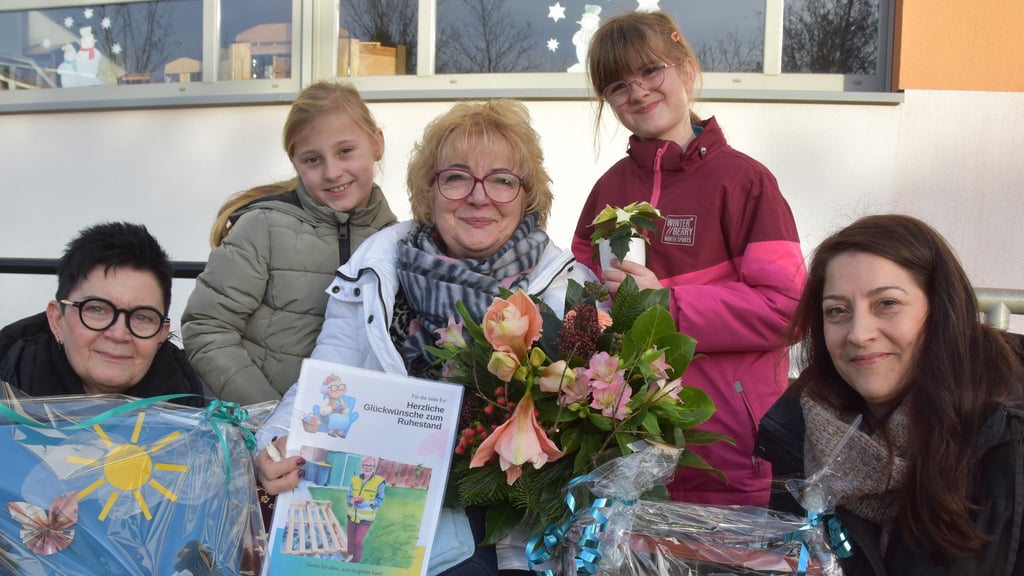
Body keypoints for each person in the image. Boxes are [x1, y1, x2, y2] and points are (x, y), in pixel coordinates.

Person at [255, 99, 598, 576]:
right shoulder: (378, 271)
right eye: (456, 177)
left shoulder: (568, 290)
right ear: (428, 191)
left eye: (502, 180)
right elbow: (327, 375)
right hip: (402, 540)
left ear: (527, 195)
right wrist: (273, 443)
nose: (478, 197)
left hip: (518, 539)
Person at [571, 10, 806, 507]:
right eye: (617, 85)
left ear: (686, 70)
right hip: (625, 456)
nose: (637, 92)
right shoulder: (607, 190)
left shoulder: (745, 183)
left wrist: (666, 306)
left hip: (732, 456)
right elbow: (581, 307)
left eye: (650, 71)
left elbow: (787, 309)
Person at [755, 214, 1024, 575]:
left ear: (941, 310)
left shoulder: (1007, 432)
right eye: (837, 311)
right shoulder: (801, 431)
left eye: (887, 303)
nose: (858, 334)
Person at [182, 81, 398, 405]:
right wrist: (271, 416)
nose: (332, 172)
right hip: (262, 427)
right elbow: (207, 327)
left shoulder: (396, 241)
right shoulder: (264, 227)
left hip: (352, 428)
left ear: (377, 143)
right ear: (295, 162)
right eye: (312, 159)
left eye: (345, 151)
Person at [0, 221, 206, 407]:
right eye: (97, 309)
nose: (118, 334)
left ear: (161, 334)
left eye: (142, 317)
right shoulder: (8, 393)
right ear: (57, 320)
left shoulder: (207, 417)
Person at [346, 455, 386, 563]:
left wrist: (370, 503)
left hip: (366, 518)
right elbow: (349, 496)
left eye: (370, 465)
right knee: (350, 539)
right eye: (365, 465)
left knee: (357, 541)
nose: (368, 467)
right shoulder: (354, 480)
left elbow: (380, 499)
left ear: (374, 467)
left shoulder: (379, 482)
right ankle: (349, 555)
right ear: (362, 466)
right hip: (352, 515)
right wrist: (351, 501)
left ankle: (356, 563)